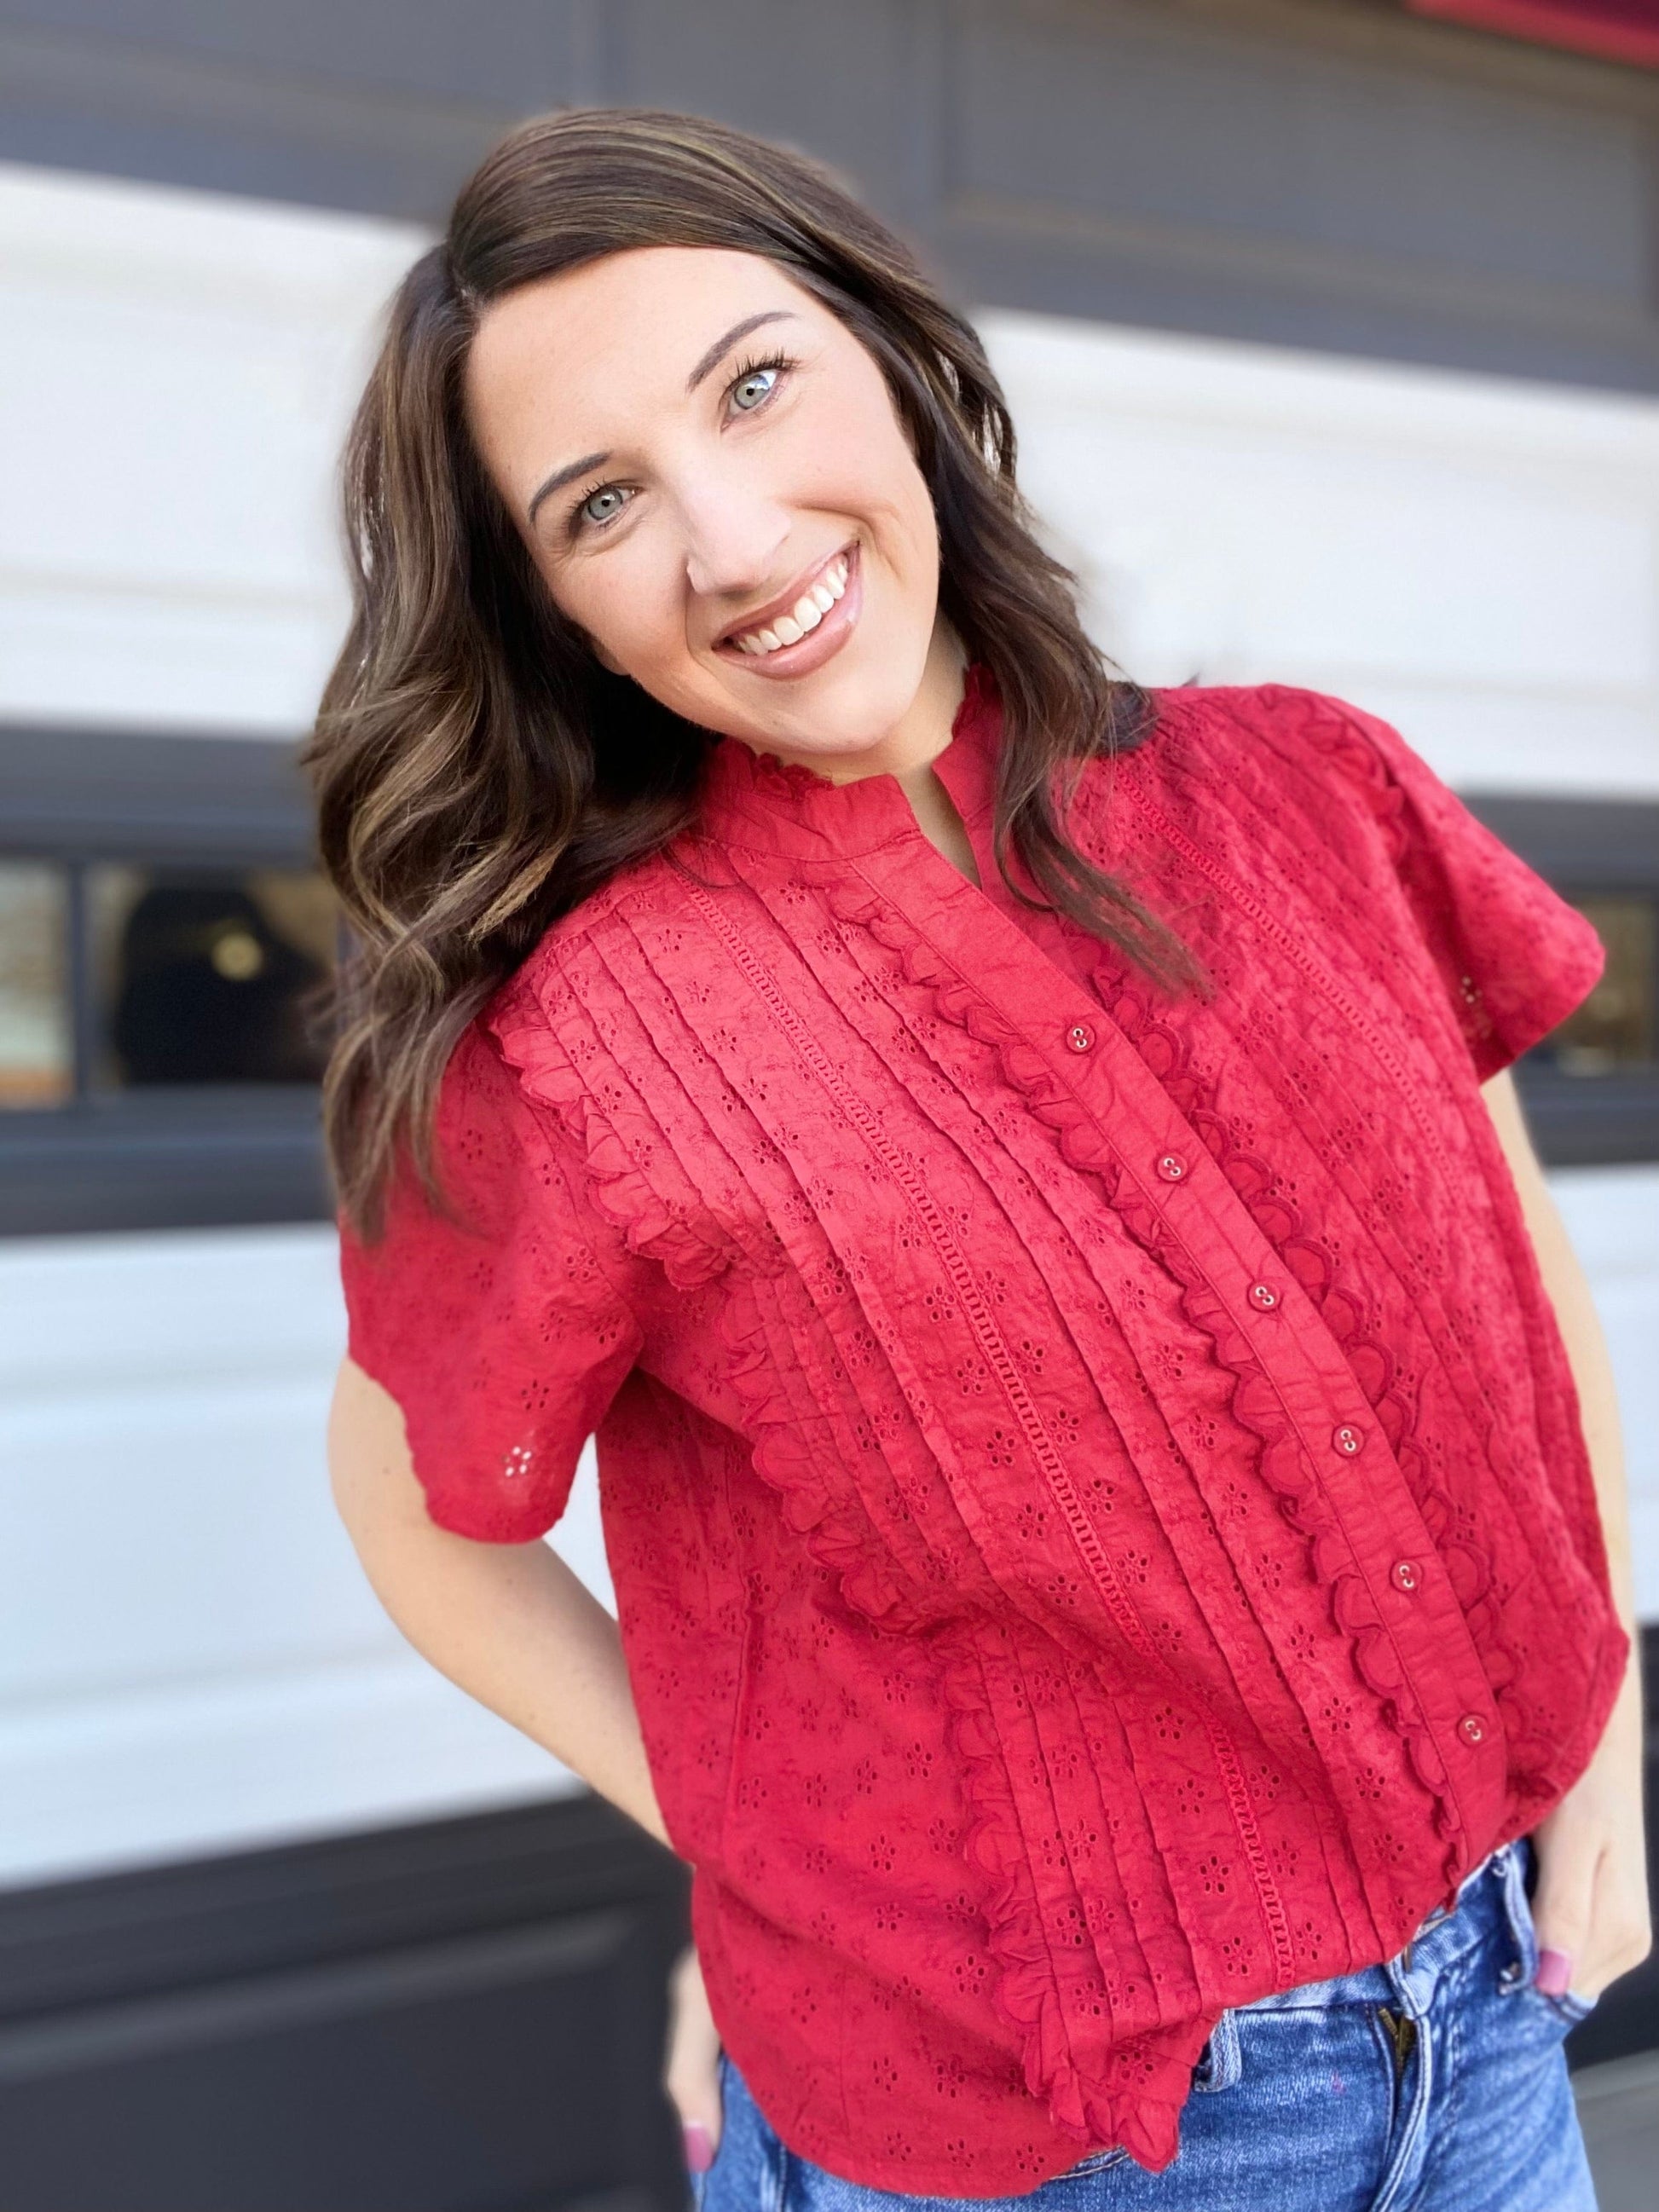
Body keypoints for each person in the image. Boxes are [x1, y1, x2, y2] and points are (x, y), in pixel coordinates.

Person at [309, 106, 1650, 2211]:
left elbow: (1508, 1280)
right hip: (1050, 2145)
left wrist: (1601, 1734)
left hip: (1497, 2034)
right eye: (602, 504)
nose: (737, 540)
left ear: (893, 353)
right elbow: (415, 1510)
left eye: (754, 383)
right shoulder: (576, 1049)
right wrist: (767, 1863)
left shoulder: (1315, 791)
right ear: (555, 610)